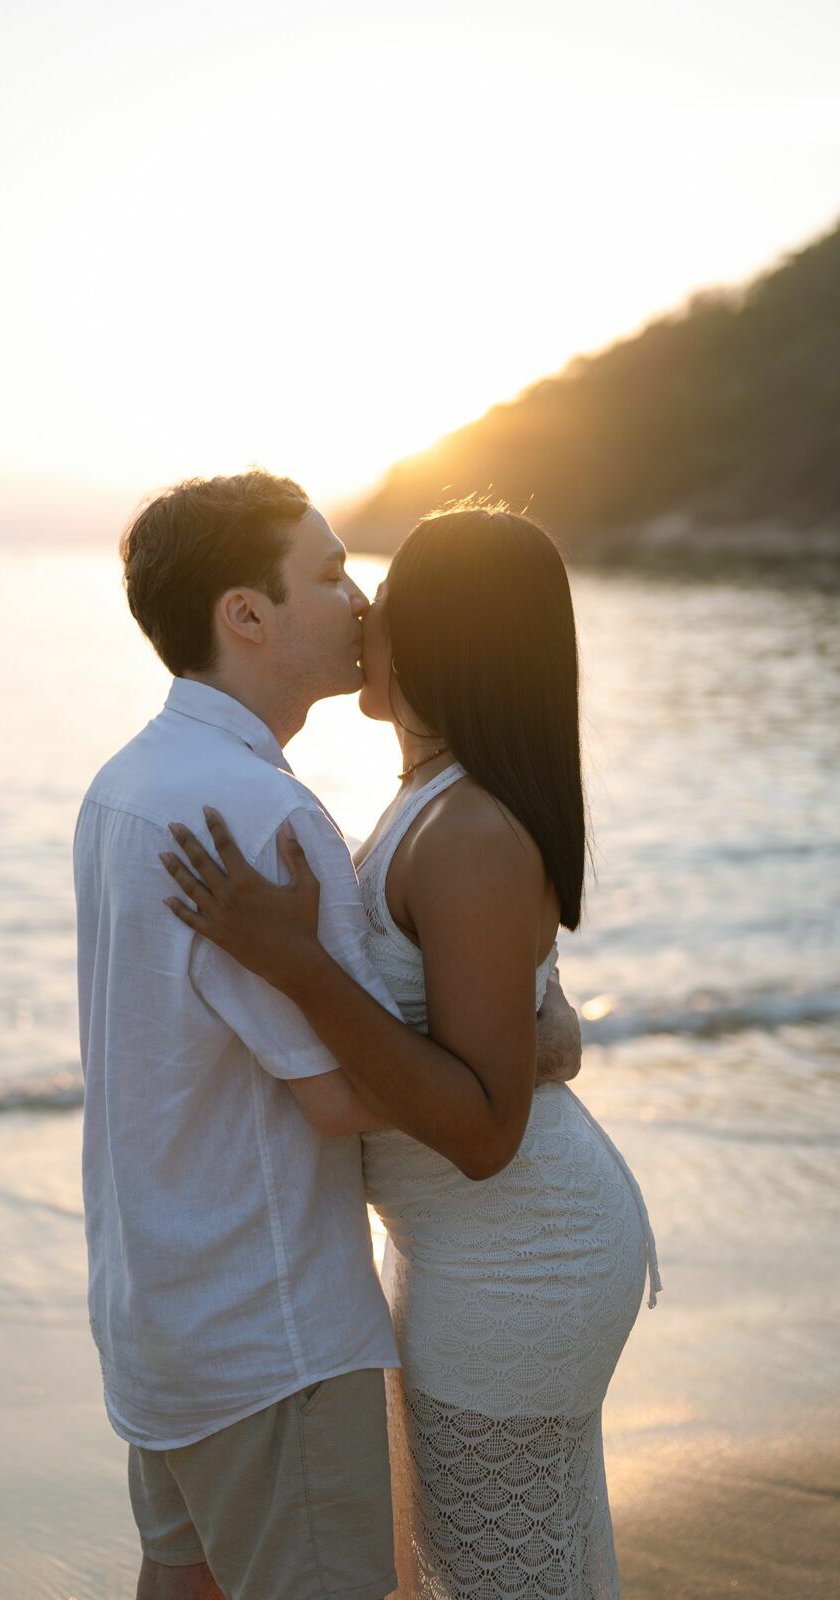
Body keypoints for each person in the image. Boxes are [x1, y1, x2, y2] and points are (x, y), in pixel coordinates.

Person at [74, 472, 583, 1600]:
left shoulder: (125, 784)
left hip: (155, 1304)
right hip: (269, 1330)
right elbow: (343, 1097)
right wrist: (535, 1046)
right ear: (246, 615)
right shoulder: (262, 811)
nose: (360, 602)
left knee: (181, 1581)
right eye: (330, 574)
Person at [163, 503, 661, 1600]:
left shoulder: (472, 829)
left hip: (517, 1258)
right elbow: (523, 1018)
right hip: (470, 1251)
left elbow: (483, 1132)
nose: (360, 617)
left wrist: (296, 965)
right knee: (519, 1568)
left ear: (446, 640)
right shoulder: (434, 804)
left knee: (495, 1579)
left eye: (383, 601)